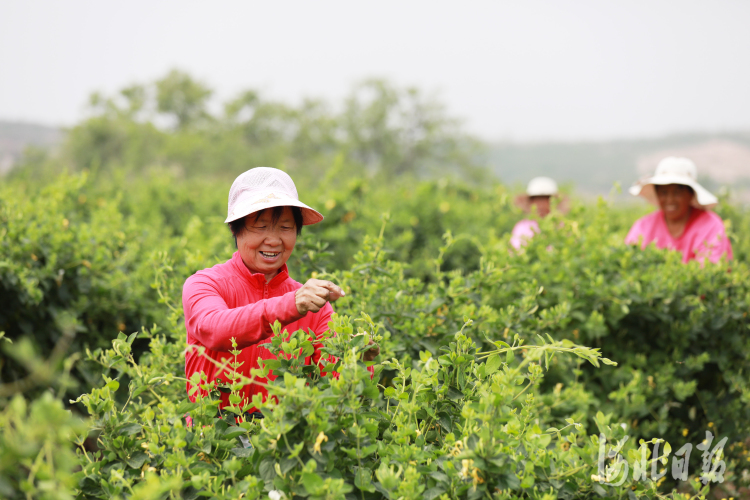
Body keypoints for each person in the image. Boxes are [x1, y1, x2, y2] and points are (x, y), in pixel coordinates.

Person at [183, 167, 378, 417]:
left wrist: (358, 361)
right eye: (261, 226)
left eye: (285, 228)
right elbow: (217, 330)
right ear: (236, 229)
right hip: (212, 443)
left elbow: (338, 390)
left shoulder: (313, 305)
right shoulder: (205, 284)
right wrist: (291, 305)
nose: (274, 240)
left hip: (282, 444)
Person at [625, 157, 732, 264]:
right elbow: (629, 261)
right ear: (657, 194)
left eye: (677, 193)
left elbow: (708, 271)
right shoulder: (644, 226)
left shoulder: (710, 225)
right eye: (664, 193)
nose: (670, 200)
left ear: (691, 194)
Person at [510, 176, 560, 249]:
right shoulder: (521, 227)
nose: (541, 205)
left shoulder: (560, 227)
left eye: (545, 200)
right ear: (531, 202)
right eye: (538, 200)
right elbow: (515, 251)